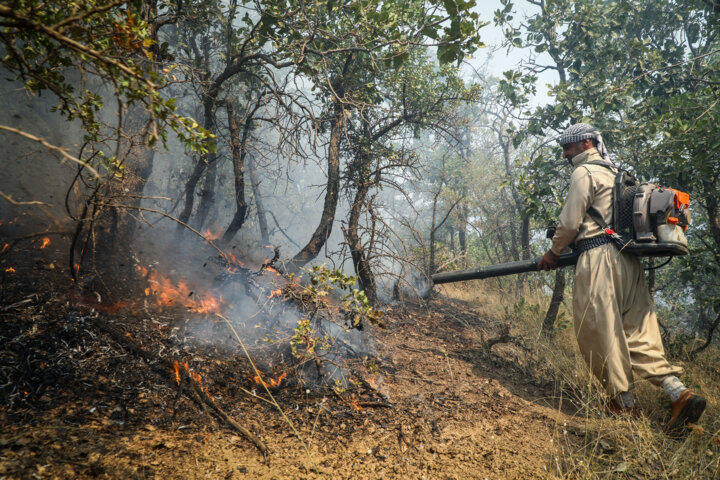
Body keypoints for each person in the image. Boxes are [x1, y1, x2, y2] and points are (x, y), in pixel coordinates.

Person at [537, 123, 706, 431]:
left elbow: (571, 221)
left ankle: (622, 404)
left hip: (598, 258)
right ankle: (677, 392)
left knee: (599, 329)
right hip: (628, 260)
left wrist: (553, 253)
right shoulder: (619, 174)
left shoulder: (584, 173)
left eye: (569, 147)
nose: (565, 153)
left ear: (586, 143)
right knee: (639, 331)